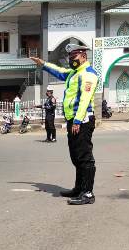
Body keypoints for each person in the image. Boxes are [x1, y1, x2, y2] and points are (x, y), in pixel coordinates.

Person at [31, 44, 98, 205]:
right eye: (70, 58)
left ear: (83, 56)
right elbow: (59, 72)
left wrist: (77, 120)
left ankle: (88, 193)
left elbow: (85, 99)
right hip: (73, 121)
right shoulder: (74, 74)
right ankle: (78, 188)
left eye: (74, 58)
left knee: (84, 157)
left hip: (82, 120)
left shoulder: (88, 74)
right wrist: (43, 64)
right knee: (75, 156)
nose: (71, 61)